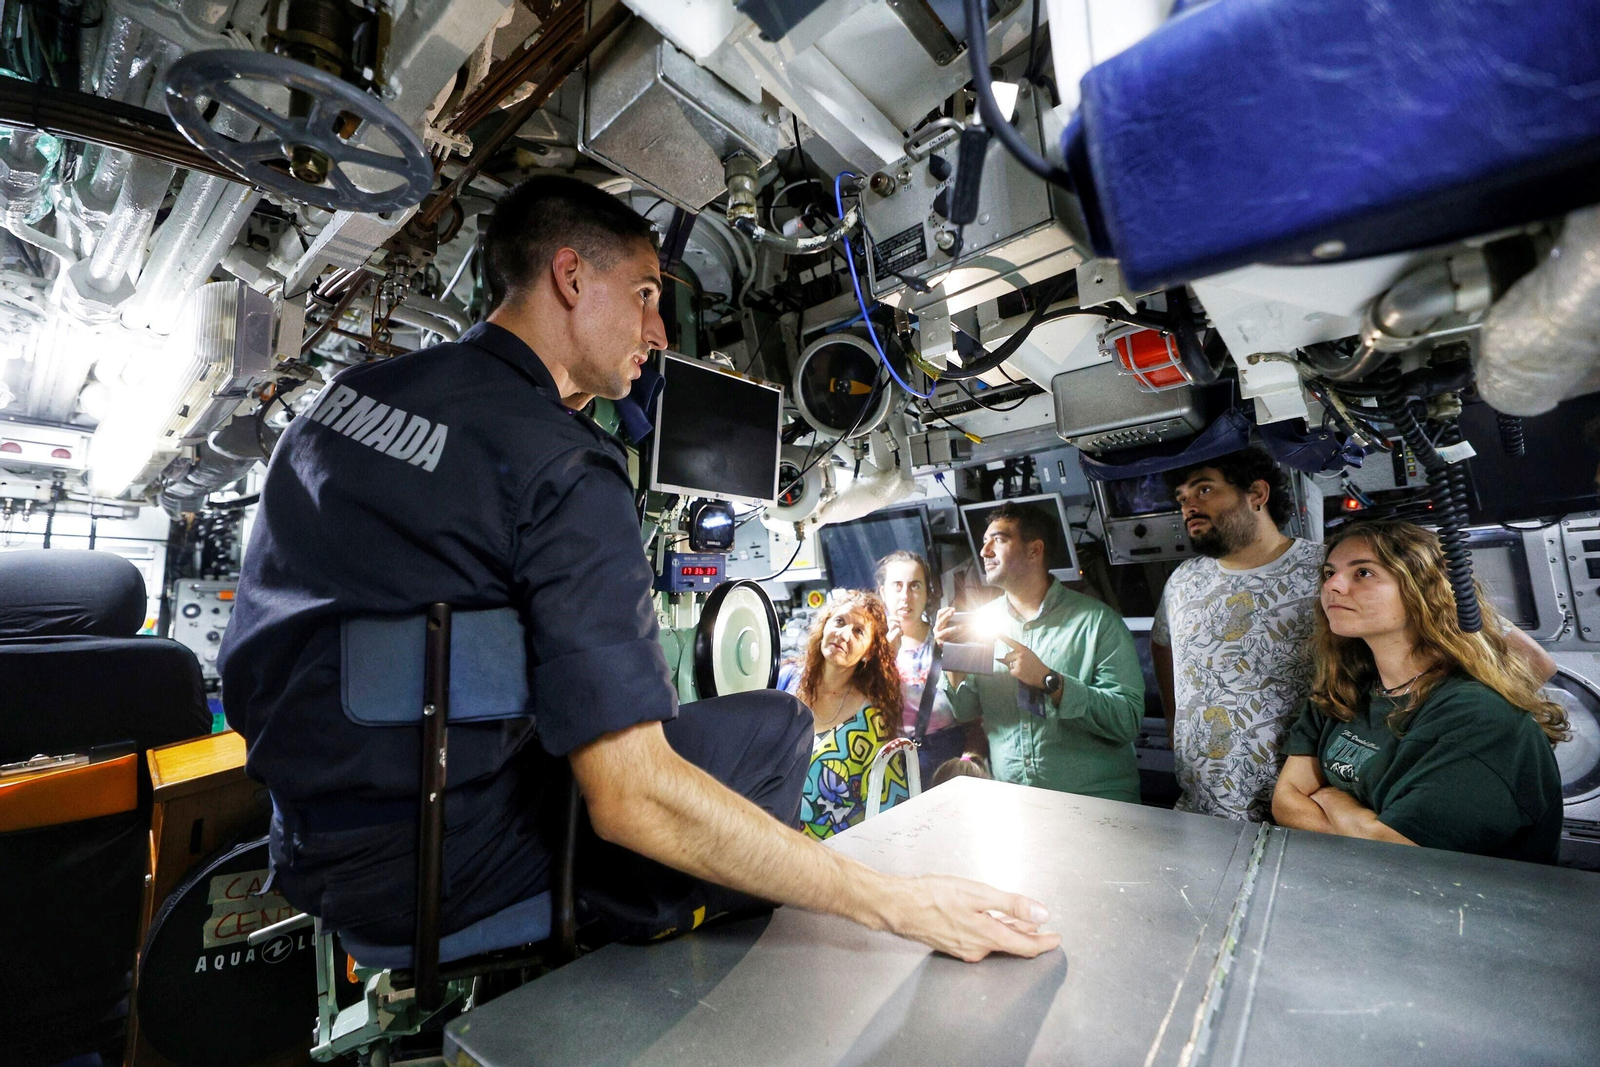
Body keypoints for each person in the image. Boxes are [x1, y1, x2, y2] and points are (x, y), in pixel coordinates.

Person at [219, 176, 1058, 963]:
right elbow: (629, 799)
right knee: (776, 728)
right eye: (646, 295)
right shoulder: (564, 465)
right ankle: (686, 974)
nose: (657, 334)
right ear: (571, 278)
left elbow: (261, 655)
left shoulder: (337, 406)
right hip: (447, 871)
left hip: (308, 848)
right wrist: (893, 901)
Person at [1272, 521, 1568, 863]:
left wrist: (1330, 797)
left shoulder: (1478, 715)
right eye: (1329, 573)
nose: (1332, 586)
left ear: (1423, 590)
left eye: (1363, 573)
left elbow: (1396, 854)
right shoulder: (1345, 688)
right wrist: (1362, 826)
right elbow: (1286, 802)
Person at [1151, 448, 1324, 822]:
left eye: (1205, 490)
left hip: (1298, 811)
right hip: (1200, 807)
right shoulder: (1183, 580)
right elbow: (1162, 643)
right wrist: (1173, 719)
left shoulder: (1324, 571)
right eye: (1182, 498)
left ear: (1257, 494)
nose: (1189, 507)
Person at [934, 501, 1146, 802]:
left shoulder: (1097, 622)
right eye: (984, 542)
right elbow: (966, 711)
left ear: (1034, 550)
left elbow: (1127, 721)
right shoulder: (981, 623)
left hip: (1093, 802)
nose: (984, 552)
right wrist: (953, 662)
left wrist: (1050, 681)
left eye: (998, 540)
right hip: (1016, 800)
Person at [781, 590, 908, 838]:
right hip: (768, 841)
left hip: (829, 851)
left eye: (858, 631)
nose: (844, 634)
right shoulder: (785, 680)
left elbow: (890, 810)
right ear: (824, 626)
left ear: (869, 652)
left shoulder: (871, 721)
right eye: (839, 621)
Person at [876, 550, 970, 781]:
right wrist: (884, 657)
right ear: (883, 592)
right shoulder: (868, 644)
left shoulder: (947, 637)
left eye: (915, 586)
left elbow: (969, 708)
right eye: (897, 586)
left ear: (928, 591)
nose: (905, 596)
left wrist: (949, 651)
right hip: (889, 755)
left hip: (945, 750)